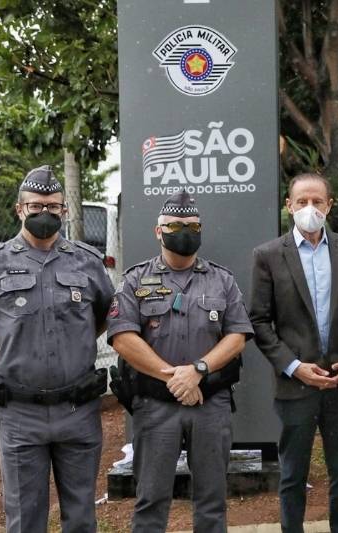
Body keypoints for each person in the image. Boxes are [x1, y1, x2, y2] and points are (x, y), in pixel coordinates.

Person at [0, 166, 114, 533]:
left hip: (78, 409)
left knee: (80, 518)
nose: (45, 212)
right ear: (19, 209)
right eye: (36, 206)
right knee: (25, 520)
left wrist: (77, 342)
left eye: (53, 206)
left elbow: (108, 315)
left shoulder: (87, 261)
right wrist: (7, 354)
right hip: (21, 414)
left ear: (65, 210)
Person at [107, 191, 253, 533]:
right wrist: (175, 377)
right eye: (174, 224)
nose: (184, 231)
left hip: (210, 404)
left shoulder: (223, 280)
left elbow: (238, 335)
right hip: (155, 407)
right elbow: (123, 337)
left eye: (191, 225)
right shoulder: (134, 280)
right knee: (151, 501)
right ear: (159, 231)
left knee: (212, 501)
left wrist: (198, 371)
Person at [249, 173, 338, 533]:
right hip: (295, 385)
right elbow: (259, 320)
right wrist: (293, 366)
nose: (310, 209)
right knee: (293, 475)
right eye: (302, 202)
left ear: (329, 206)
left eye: (317, 202)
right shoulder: (267, 255)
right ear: (289, 206)